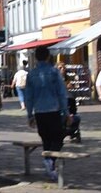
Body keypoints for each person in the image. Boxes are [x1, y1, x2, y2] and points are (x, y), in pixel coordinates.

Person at [26, 47, 69, 181]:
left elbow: (29, 97)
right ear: (48, 57)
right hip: (53, 110)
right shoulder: (54, 72)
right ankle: (50, 161)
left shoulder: (31, 74)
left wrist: (30, 115)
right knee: (58, 137)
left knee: (46, 140)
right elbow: (61, 94)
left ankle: (50, 169)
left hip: (39, 112)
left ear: (36, 57)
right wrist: (66, 112)